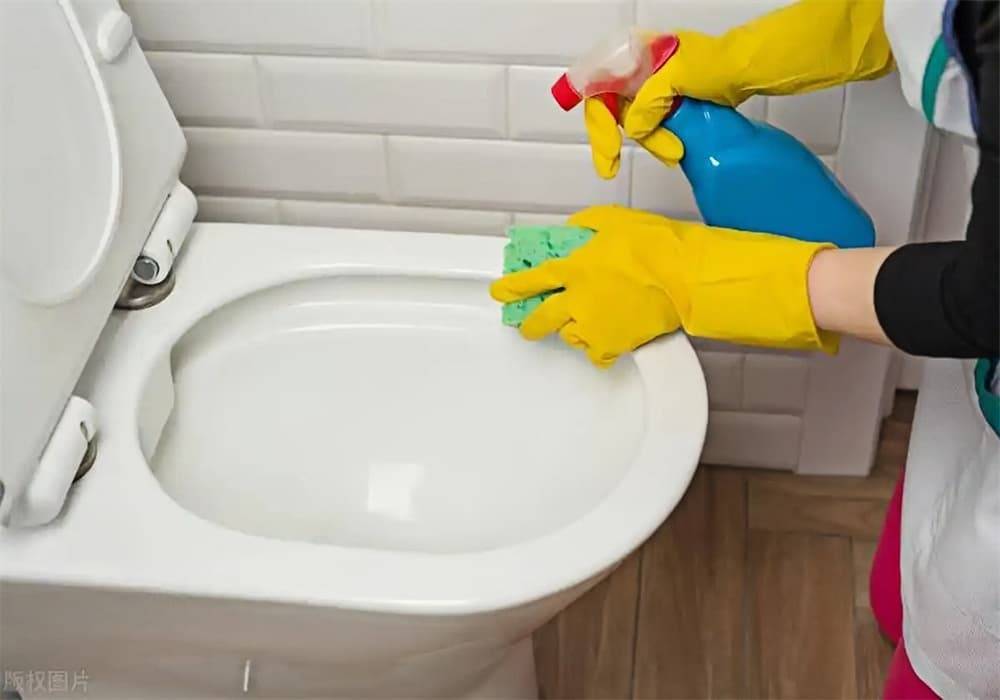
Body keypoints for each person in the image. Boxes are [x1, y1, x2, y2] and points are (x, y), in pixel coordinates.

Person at [490, 1, 998, 697]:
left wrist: (700, 281)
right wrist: (735, 60)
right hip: (974, 372)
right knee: (907, 579)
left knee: (958, 643)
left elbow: (985, 299)